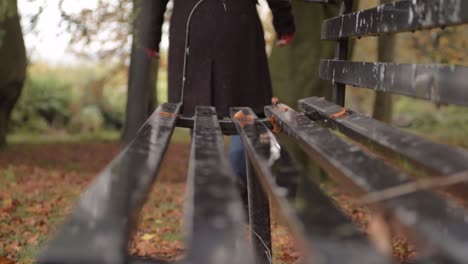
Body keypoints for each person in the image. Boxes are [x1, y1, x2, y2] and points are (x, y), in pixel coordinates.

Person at [141, 0, 295, 199]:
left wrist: (150, 37)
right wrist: (285, 25)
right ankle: (237, 188)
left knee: (199, 108)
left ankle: (211, 189)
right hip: (238, 26)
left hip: (191, 27)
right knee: (246, 105)